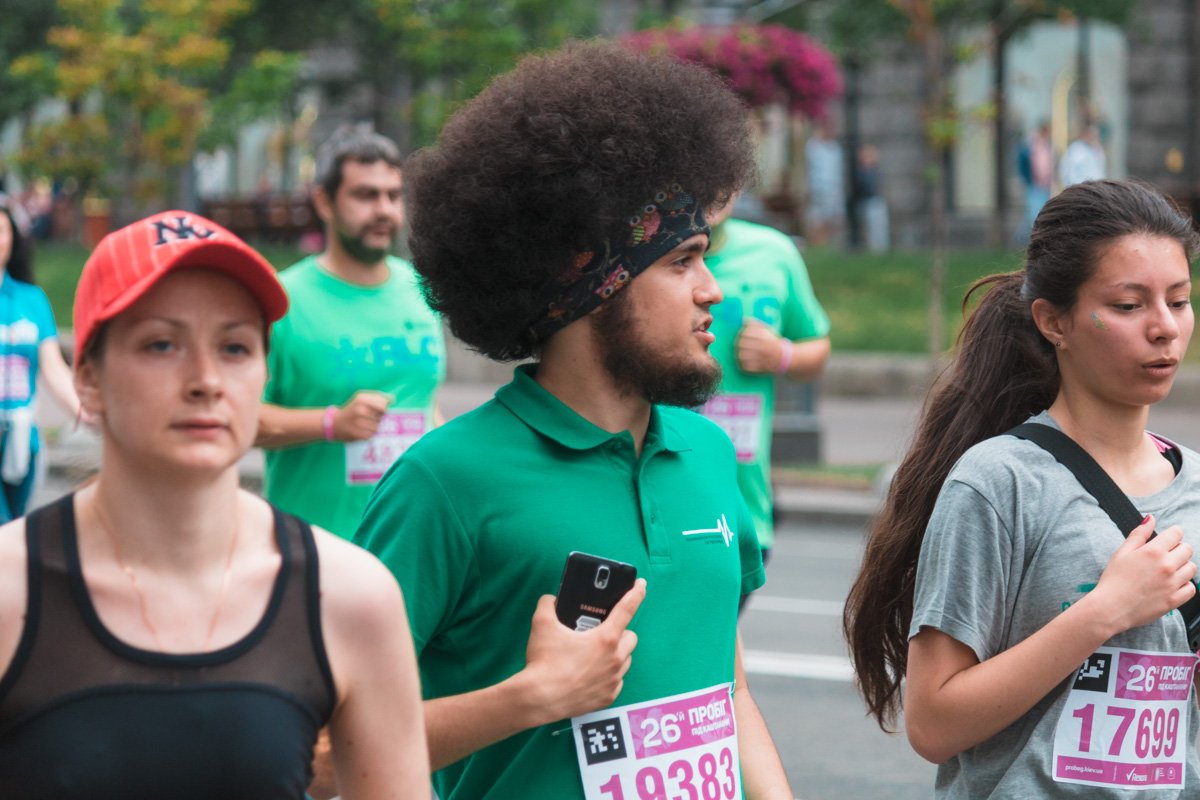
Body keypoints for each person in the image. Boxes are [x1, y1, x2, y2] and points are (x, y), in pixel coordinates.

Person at [353, 42, 793, 800]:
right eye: (682, 261)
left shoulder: (710, 455)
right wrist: (531, 699)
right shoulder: (445, 481)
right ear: (590, 278)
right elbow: (327, 750)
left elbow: (731, 695)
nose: (713, 291)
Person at [0, 211, 429, 798]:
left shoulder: (352, 598)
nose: (206, 380)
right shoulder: (10, 592)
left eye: (234, 346)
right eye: (161, 344)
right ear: (89, 379)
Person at [844, 179, 1200, 797]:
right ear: (1053, 321)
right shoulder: (997, 482)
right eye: (1128, 305)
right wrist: (1104, 610)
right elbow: (933, 722)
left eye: (1179, 300)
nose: (1165, 328)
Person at [257, 129, 445, 540]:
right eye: (365, 195)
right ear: (324, 201)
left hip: (409, 543)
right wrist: (331, 423)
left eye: (393, 196)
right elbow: (240, 418)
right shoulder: (281, 300)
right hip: (313, 547)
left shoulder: (418, 290)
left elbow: (422, 405)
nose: (384, 210)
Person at [700, 201, 830, 595]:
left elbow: (817, 346)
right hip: (659, 499)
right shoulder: (640, 253)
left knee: (720, 648)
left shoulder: (774, 253)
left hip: (745, 509)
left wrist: (782, 355)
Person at [0, 194, 81, 523]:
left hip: (22, 441)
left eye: (1, 230)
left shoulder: (32, 301)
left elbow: (53, 369)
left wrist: (87, 410)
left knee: (15, 529)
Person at [804, 122, 845, 246]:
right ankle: (817, 242)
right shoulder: (813, 145)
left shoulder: (835, 148)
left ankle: (830, 243)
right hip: (818, 188)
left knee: (834, 218)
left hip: (834, 189)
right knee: (817, 218)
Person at [1018, 121, 1054, 242]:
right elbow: (1023, 161)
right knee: (1034, 213)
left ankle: (1027, 238)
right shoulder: (1030, 146)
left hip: (1045, 184)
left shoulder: (1047, 146)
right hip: (1034, 184)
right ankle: (1026, 239)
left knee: (1039, 211)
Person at [852, 144, 888, 253]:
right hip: (865, 203)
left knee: (879, 228)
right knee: (869, 229)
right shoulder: (859, 172)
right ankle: (872, 250)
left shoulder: (875, 171)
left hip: (876, 202)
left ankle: (881, 249)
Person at [1059, 123, 1106, 188]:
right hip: (1080, 189)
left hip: (1096, 189)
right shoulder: (1075, 149)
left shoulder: (1098, 149)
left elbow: (1100, 170)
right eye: (1092, 134)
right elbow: (1067, 170)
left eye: (1095, 135)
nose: (1094, 137)